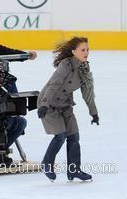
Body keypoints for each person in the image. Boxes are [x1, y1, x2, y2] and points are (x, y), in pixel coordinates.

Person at [37, 37, 99, 181]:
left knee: (74, 137)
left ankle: (74, 170)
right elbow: (53, 84)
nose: (86, 52)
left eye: (87, 49)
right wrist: (44, 104)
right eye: (83, 50)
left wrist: (94, 113)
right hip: (49, 103)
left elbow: (87, 93)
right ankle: (47, 164)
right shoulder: (66, 64)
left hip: (65, 105)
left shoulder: (84, 68)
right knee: (60, 135)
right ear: (73, 51)